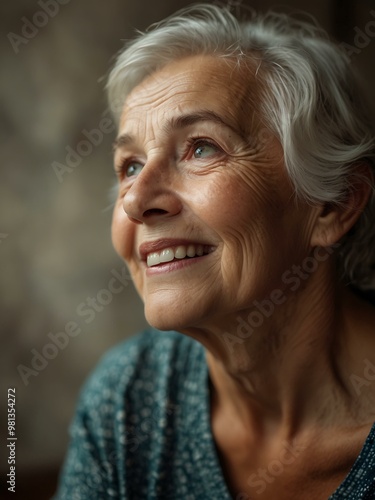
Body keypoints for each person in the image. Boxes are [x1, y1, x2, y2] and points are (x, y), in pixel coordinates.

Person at [54, 4, 375, 499]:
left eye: (201, 147)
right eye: (131, 164)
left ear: (332, 204)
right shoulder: (128, 397)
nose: (136, 201)